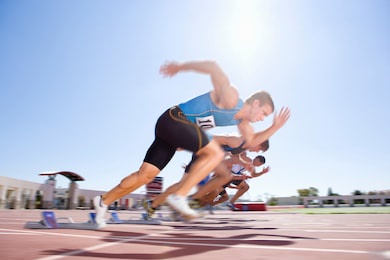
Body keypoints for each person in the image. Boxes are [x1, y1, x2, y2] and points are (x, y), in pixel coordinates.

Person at [93, 60, 290, 228]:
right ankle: (180, 196)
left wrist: (275, 127)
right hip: (174, 118)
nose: (263, 118)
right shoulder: (231, 98)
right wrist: (179, 67)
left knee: (145, 175)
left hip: (171, 131)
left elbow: (254, 141)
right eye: (264, 113)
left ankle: (102, 202)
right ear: (255, 103)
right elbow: (213, 67)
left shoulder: (243, 124)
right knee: (215, 153)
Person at [143, 139, 269, 219]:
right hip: (205, 154)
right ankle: (182, 203)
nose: (257, 151)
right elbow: (222, 146)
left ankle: (155, 205)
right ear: (257, 142)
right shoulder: (240, 141)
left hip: (208, 157)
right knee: (221, 179)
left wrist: (244, 164)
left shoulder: (242, 148)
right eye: (259, 149)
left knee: (186, 186)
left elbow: (233, 156)